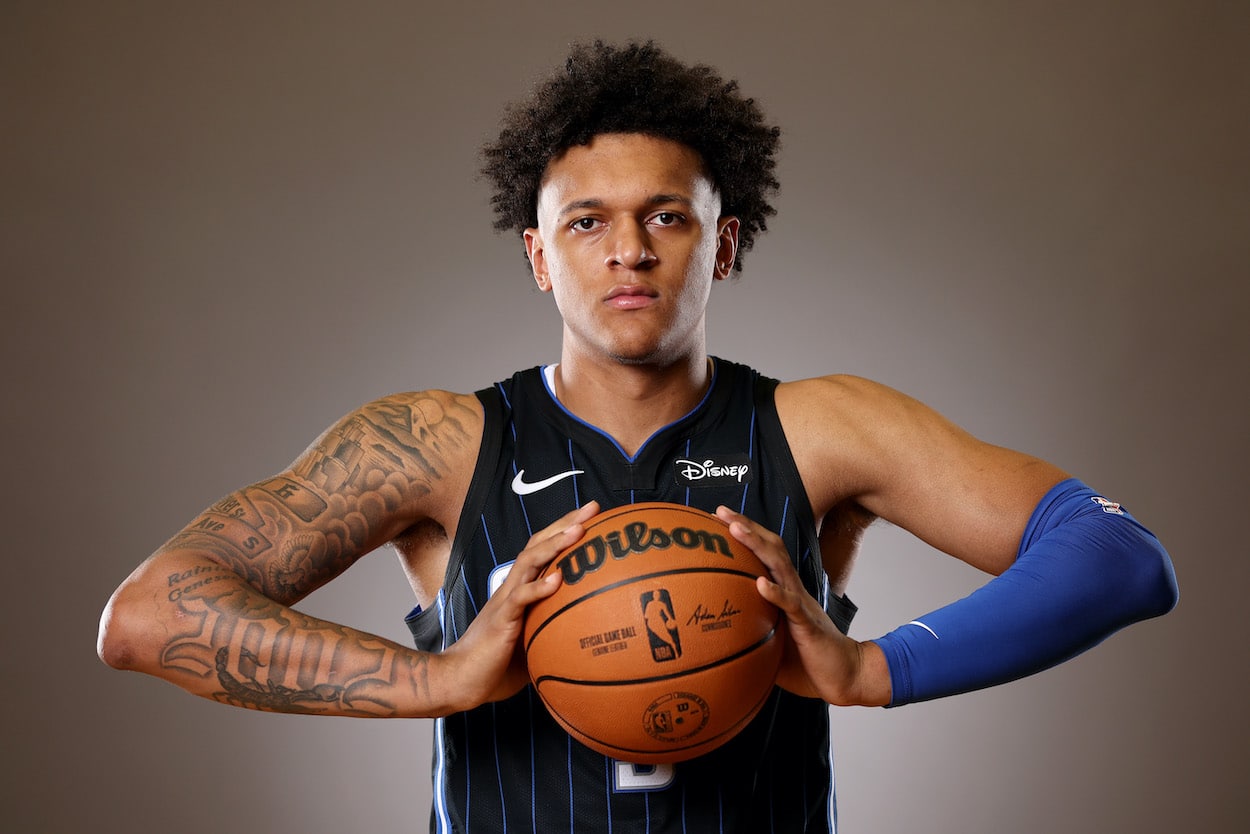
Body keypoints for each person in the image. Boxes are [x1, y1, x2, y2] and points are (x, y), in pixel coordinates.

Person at [98, 41, 1178, 832]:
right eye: (586, 221)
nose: (629, 252)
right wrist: (437, 678)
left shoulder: (818, 429)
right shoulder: (437, 443)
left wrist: (869, 667)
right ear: (536, 254)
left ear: (722, 245)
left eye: (667, 217)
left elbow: (1120, 555)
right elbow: (147, 615)